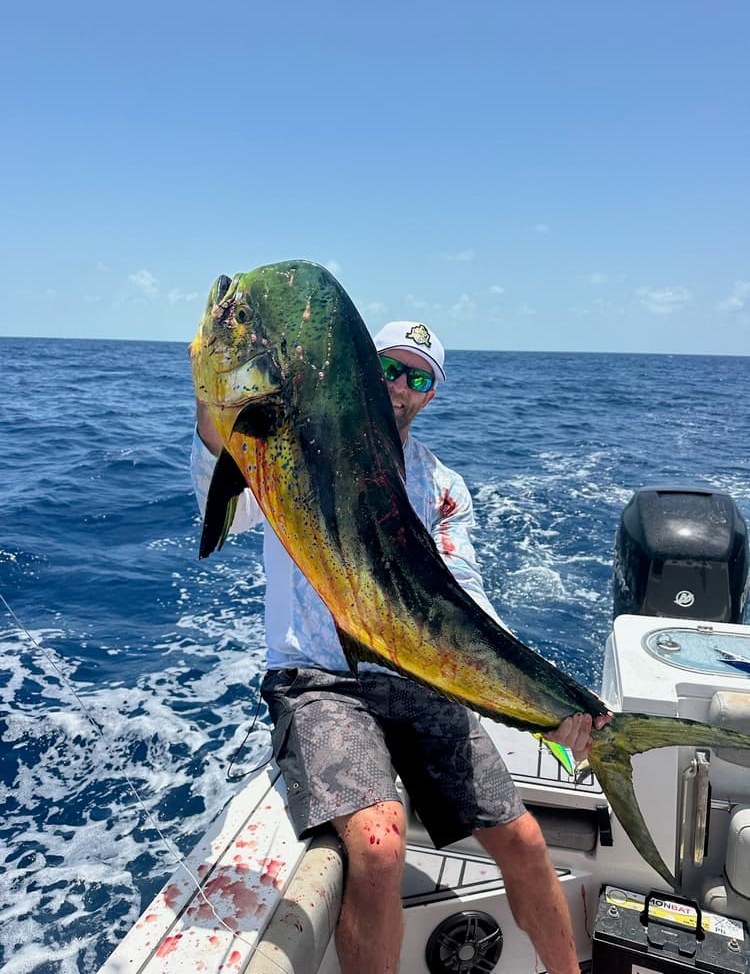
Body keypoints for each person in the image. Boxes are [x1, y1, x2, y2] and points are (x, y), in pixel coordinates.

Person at [191, 320, 608, 974]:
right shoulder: (296, 451)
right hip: (319, 681)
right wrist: (214, 417)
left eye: (418, 378)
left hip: (420, 682)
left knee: (527, 843)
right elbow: (229, 504)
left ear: (430, 396)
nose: (399, 386)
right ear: (358, 371)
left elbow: (466, 605)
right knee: (381, 846)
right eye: (388, 368)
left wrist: (549, 709)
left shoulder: (444, 486)